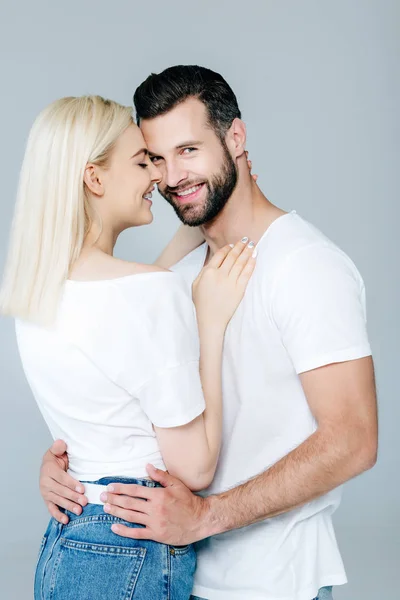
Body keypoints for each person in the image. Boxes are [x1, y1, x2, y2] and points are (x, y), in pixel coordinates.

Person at [39, 66, 378, 600]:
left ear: (236, 138)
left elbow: (354, 440)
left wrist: (206, 517)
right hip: (168, 571)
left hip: (270, 584)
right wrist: (75, 469)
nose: (172, 176)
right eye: (155, 158)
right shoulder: (174, 273)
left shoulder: (305, 265)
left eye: (189, 150)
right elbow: (151, 407)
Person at [0, 94, 257, 600]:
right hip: (132, 545)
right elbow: (196, 467)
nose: (158, 178)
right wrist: (208, 321)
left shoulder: (35, 292)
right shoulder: (149, 295)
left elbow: (123, 337)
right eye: (143, 162)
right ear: (94, 178)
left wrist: (197, 227)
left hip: (67, 540)